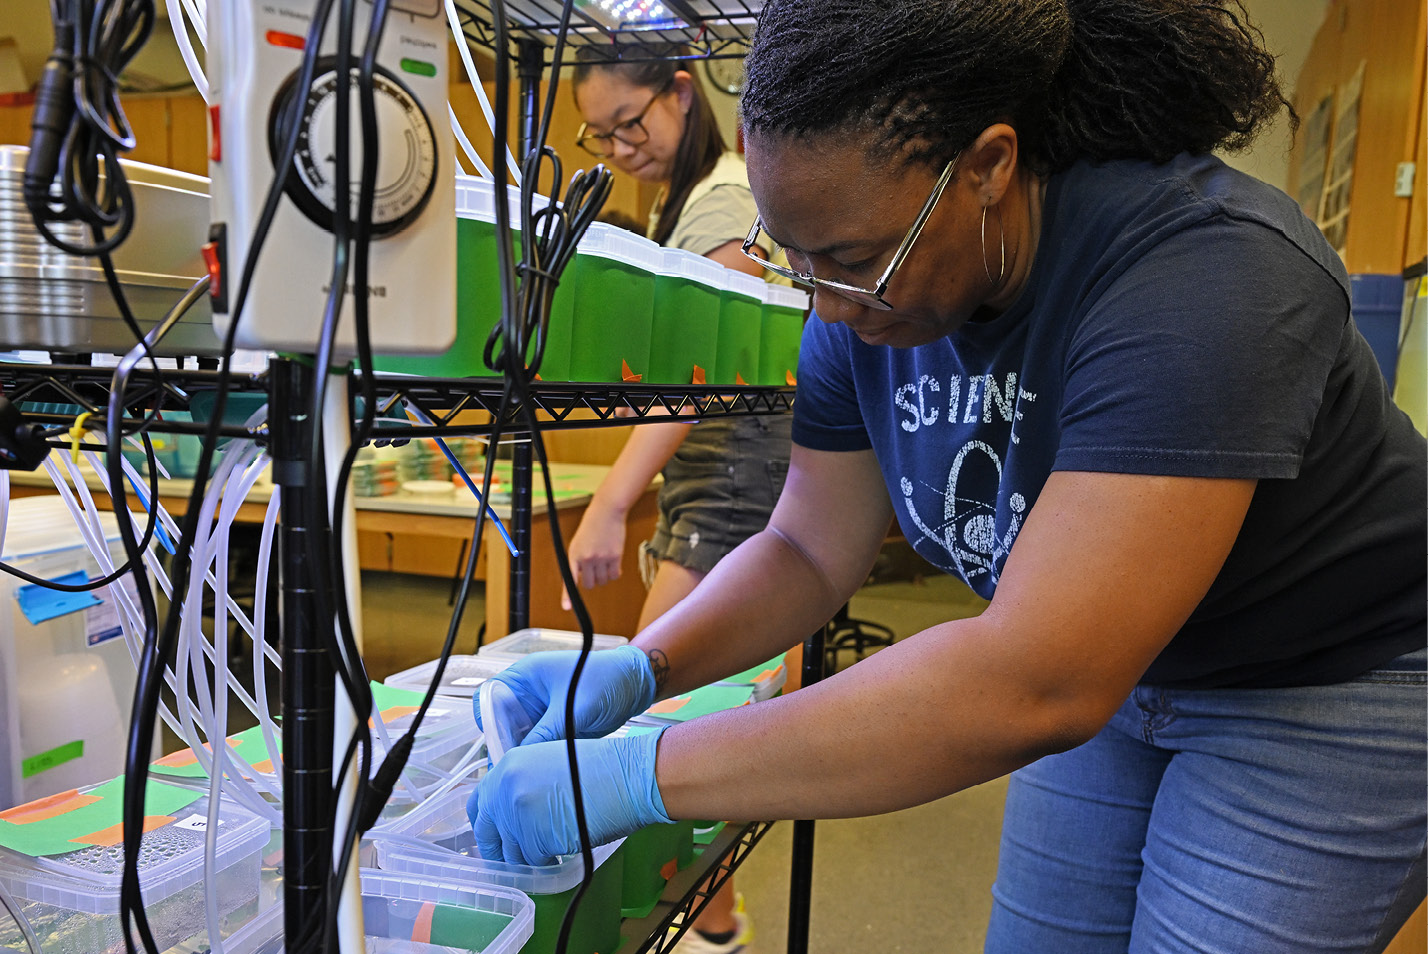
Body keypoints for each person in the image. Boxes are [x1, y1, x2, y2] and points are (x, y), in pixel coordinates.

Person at [471, 3, 1428, 952]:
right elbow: (806, 547)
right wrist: (647, 668)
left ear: (987, 167)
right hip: (1129, 663)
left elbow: (1036, 680)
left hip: (1328, 673)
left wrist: (642, 775)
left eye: (848, 259)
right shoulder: (858, 303)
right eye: (794, 259)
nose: (825, 308)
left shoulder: (1205, 271)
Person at [558, 46, 794, 953]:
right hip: (718, 485)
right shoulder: (692, 200)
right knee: (713, 716)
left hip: (733, 490)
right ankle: (719, 923)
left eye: (632, 122)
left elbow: (704, 377)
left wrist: (614, 499)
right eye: (601, 133)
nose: (619, 146)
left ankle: (711, 928)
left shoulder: (724, 202)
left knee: (672, 719)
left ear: (681, 93)